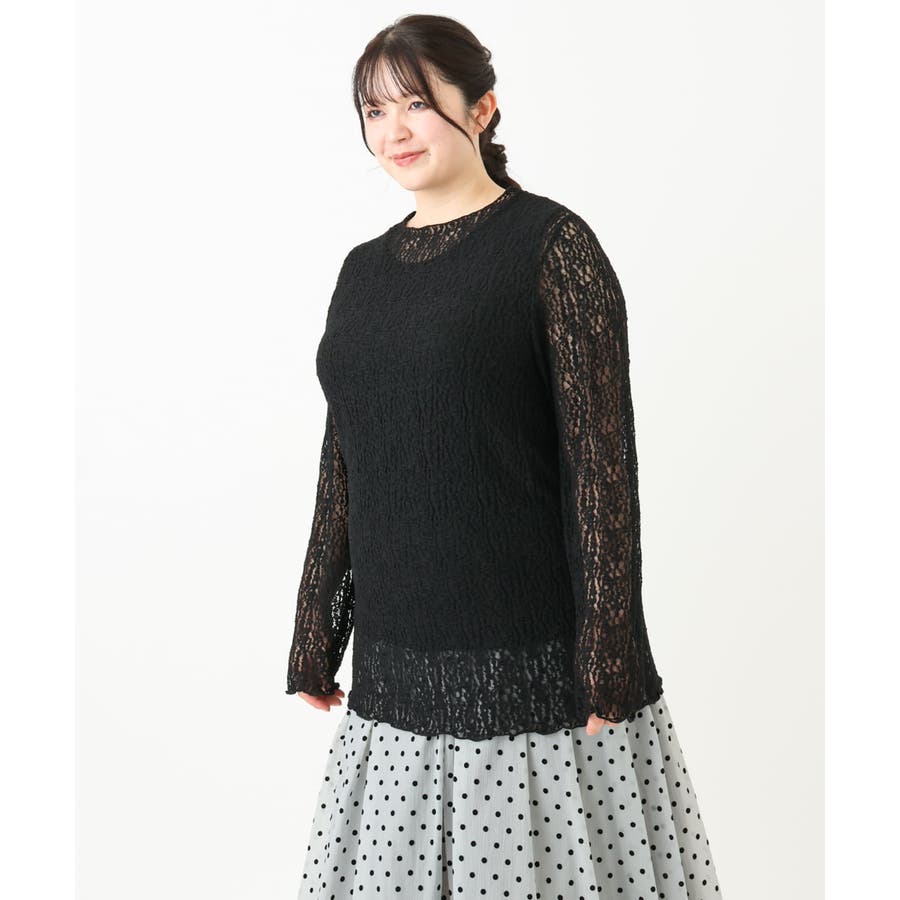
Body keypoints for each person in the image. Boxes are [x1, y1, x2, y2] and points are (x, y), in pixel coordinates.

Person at [285, 13, 723, 898]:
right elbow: (347, 454)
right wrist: (316, 629)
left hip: (533, 664)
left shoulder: (552, 248)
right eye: (374, 111)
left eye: (417, 103)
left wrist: (608, 654)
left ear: (482, 108)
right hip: (398, 664)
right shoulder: (362, 272)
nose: (393, 130)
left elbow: (602, 469)